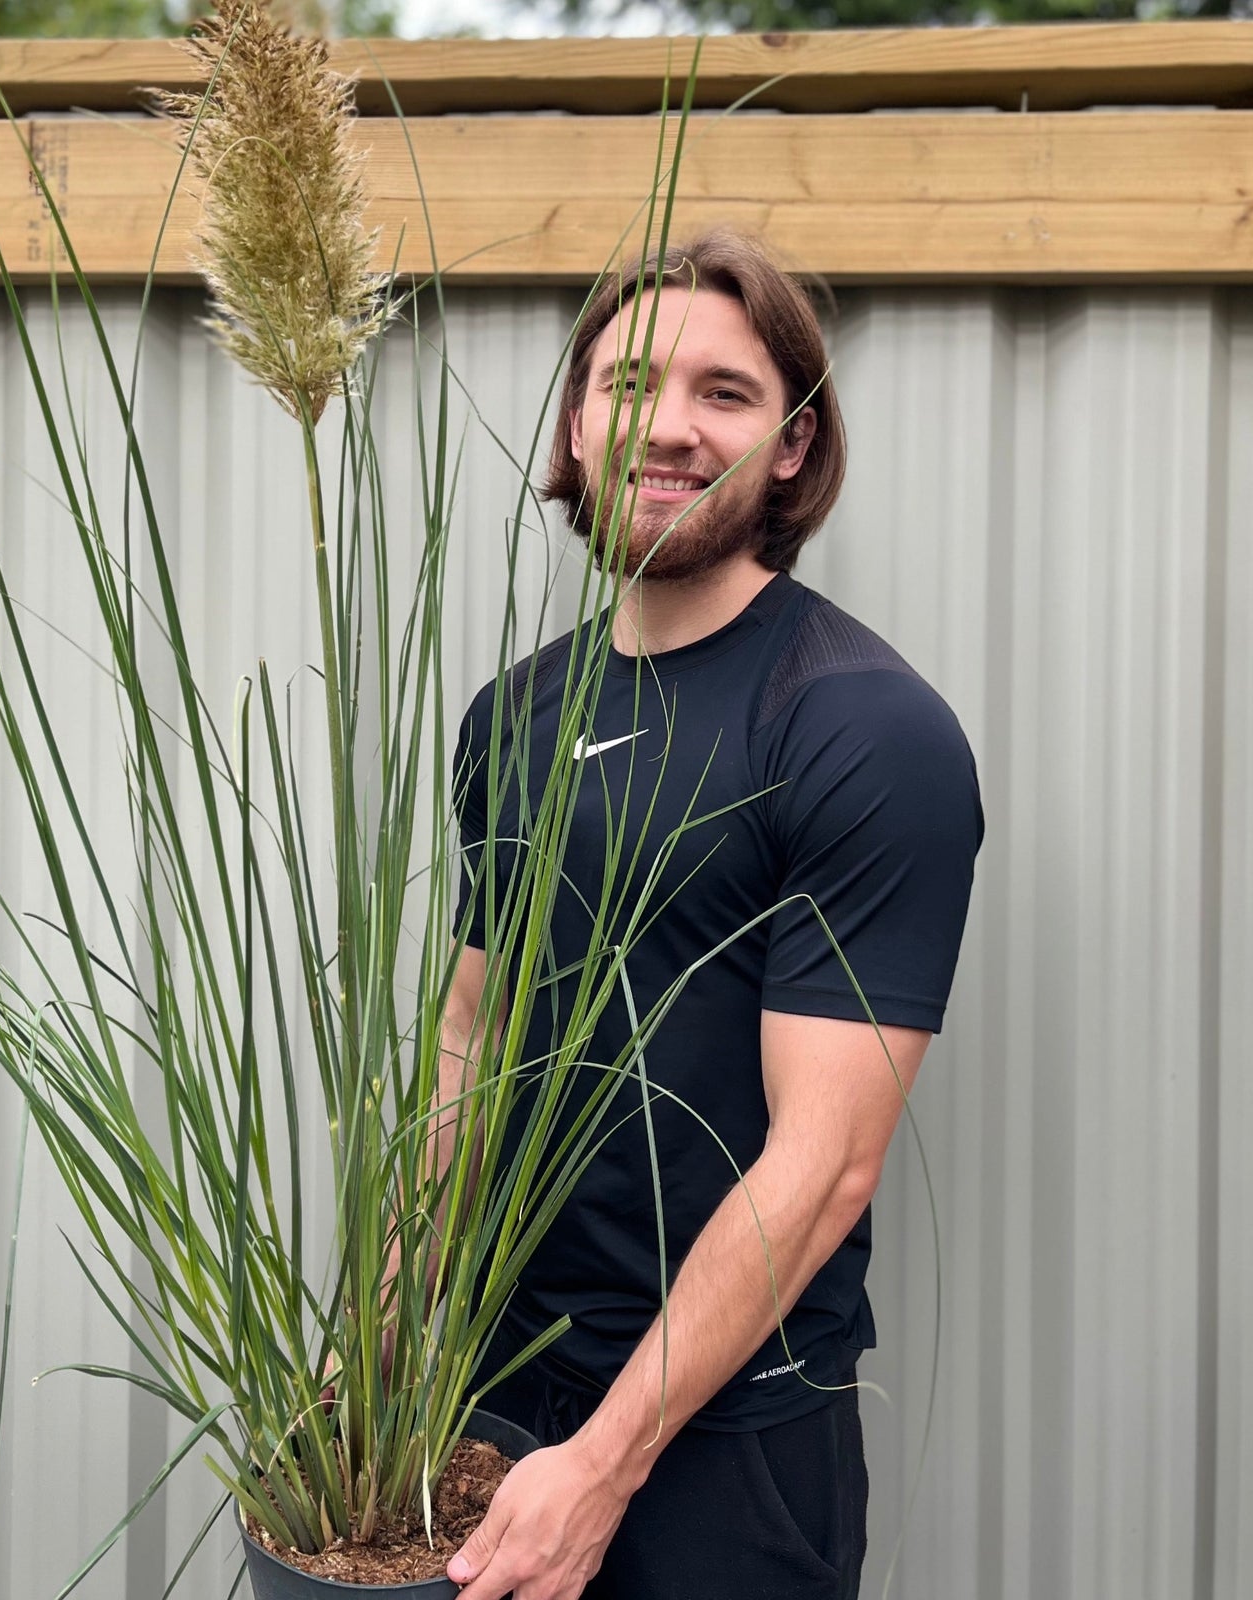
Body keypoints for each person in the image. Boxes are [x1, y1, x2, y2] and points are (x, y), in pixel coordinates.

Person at [439, 231, 984, 1600]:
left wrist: (604, 1465)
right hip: (493, 1410)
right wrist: (382, 1342)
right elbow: (470, 1040)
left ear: (793, 446)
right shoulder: (513, 715)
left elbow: (825, 1168)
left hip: (723, 1448)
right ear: (576, 421)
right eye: (628, 386)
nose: (667, 428)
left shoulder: (861, 725)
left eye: (726, 394)